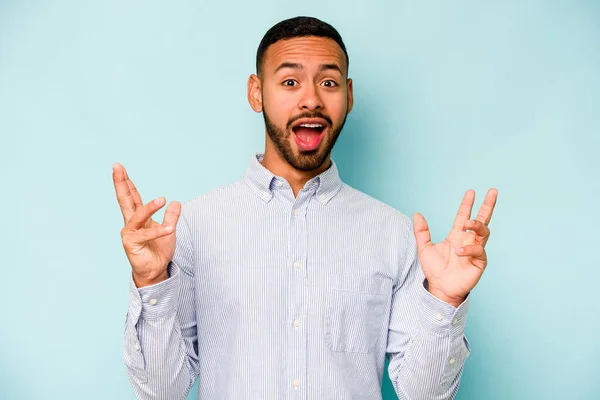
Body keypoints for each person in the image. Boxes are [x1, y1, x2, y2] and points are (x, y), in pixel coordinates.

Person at [113, 16, 498, 400]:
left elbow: (424, 395)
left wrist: (444, 301)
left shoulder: (392, 233)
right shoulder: (195, 226)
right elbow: (162, 391)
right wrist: (150, 282)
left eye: (328, 83)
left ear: (348, 96)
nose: (312, 99)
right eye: (290, 81)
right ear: (256, 92)